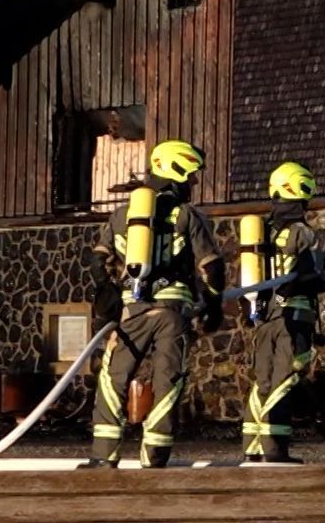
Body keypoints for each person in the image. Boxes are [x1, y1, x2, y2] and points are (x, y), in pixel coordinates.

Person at [87, 139, 227, 469]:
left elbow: (98, 262)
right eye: (191, 176)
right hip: (172, 314)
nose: (193, 183)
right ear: (176, 172)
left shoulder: (122, 216)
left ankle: (103, 457)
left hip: (132, 312)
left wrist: (107, 297)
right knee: (169, 381)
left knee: (112, 378)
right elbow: (213, 268)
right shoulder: (188, 216)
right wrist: (213, 304)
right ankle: (155, 456)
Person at [240, 161, 325, 463]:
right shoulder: (301, 232)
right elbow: (311, 279)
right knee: (286, 379)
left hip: (264, 318)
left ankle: (252, 448)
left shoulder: (261, 233)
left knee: (263, 382)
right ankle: (275, 450)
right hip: (294, 318)